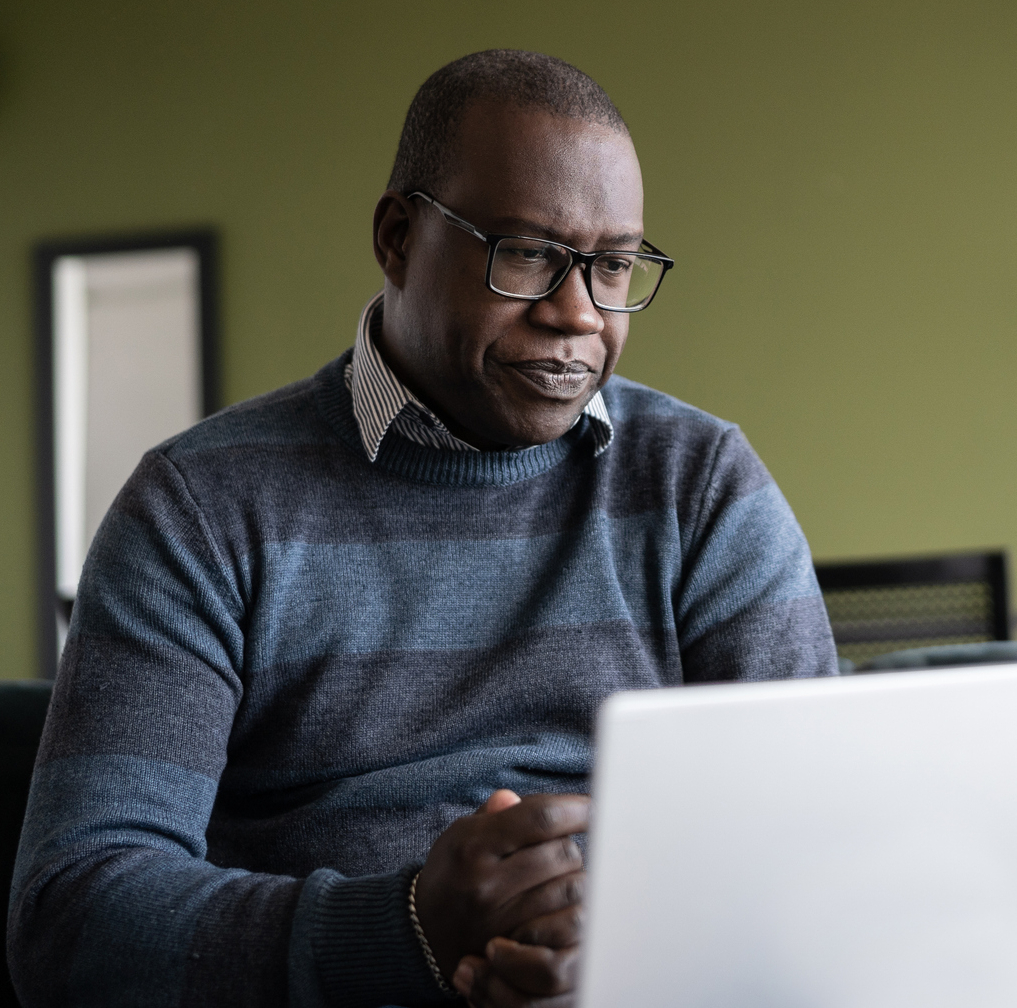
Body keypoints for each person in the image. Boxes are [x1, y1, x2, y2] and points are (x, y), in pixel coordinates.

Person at [8, 50, 837, 1008]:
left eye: (613, 266)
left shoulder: (701, 486)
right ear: (398, 237)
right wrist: (407, 928)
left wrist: (626, 945)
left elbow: (822, 837)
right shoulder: (201, 506)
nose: (579, 315)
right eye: (526, 252)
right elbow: (70, 919)